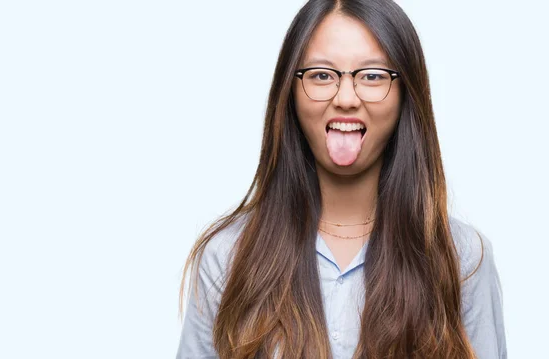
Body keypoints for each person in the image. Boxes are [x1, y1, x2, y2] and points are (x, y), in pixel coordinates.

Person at [176, 0, 507, 358]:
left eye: (372, 76)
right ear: (290, 91)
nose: (346, 98)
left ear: (405, 94)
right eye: (321, 75)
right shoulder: (228, 256)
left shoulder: (461, 259)